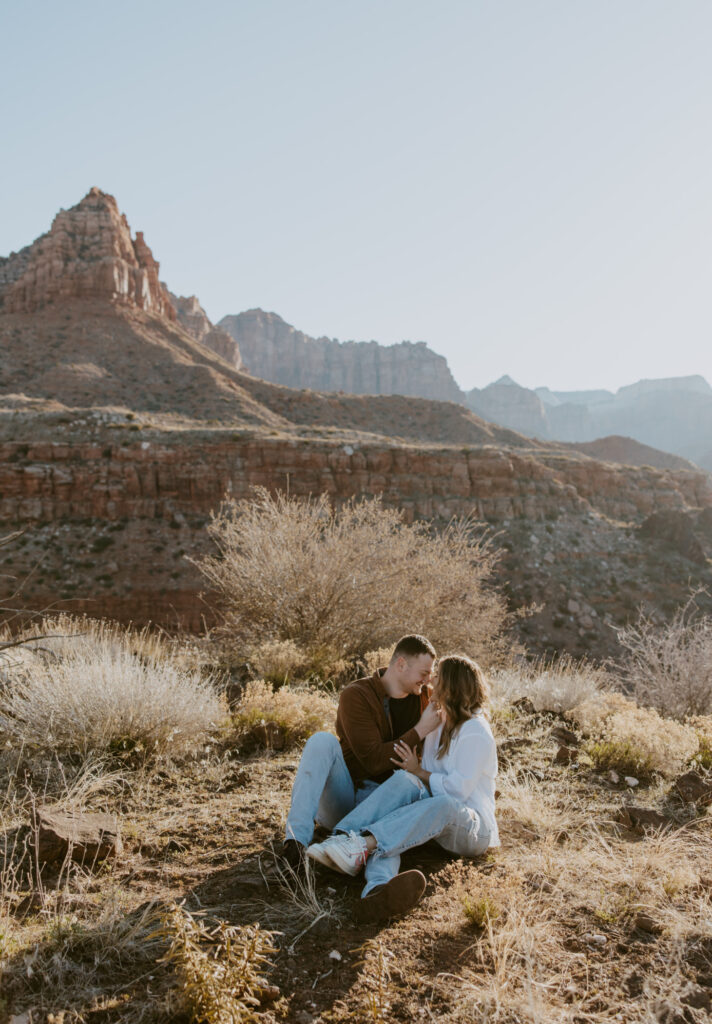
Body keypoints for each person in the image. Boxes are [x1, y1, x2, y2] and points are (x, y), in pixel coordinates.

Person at [307, 654, 499, 923]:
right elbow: (422, 781)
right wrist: (414, 774)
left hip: (471, 828)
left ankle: (362, 843)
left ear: (452, 686)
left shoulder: (476, 731)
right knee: (403, 785)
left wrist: (418, 771)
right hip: (434, 816)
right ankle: (373, 884)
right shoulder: (438, 722)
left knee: (433, 802)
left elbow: (456, 793)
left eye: (438, 677)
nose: (432, 681)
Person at [281, 634, 441, 868]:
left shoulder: (426, 698)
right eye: (424, 673)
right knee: (321, 741)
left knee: (406, 787)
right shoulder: (357, 695)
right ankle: (294, 846)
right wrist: (419, 730)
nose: (428, 680)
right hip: (347, 798)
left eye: (431, 674)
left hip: (391, 802)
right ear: (401, 665)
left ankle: (358, 860)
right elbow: (372, 761)